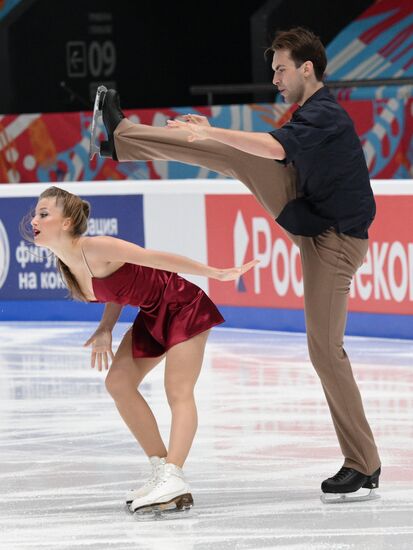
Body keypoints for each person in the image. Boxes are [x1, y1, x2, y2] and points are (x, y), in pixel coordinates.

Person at [91, 26, 381, 503]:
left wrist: (208, 130)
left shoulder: (326, 114)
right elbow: (269, 151)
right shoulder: (310, 112)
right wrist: (210, 136)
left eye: (281, 69)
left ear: (307, 68)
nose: (275, 80)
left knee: (325, 351)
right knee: (231, 155)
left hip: (335, 242)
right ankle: (121, 141)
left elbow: (272, 149)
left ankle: (363, 463)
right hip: (312, 221)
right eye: (273, 71)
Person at [28, 185, 257, 514]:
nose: (35, 219)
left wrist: (214, 272)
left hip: (182, 304)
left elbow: (155, 258)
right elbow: (115, 289)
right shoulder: (68, 265)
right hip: (152, 314)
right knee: (118, 382)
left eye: (43, 213)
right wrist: (106, 327)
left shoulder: (95, 247)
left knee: (177, 390)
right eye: (36, 213)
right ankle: (162, 469)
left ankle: (174, 475)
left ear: (65, 223)